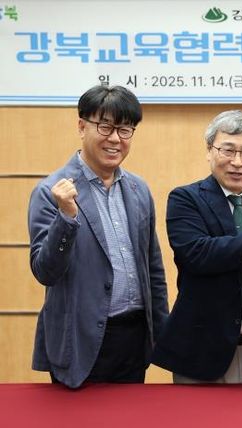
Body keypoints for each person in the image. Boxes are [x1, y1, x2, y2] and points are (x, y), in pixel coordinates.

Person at [28, 85, 169, 389]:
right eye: (105, 126)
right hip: (78, 339)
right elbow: (45, 272)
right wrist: (66, 217)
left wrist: (162, 332)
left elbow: (153, 269)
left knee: (130, 413)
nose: (115, 138)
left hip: (133, 339)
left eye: (125, 129)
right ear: (82, 126)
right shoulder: (51, 191)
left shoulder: (139, 189)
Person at [151, 110, 242, 383]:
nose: (237, 162)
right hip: (200, 355)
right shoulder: (186, 199)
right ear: (209, 151)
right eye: (228, 150)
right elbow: (197, 253)